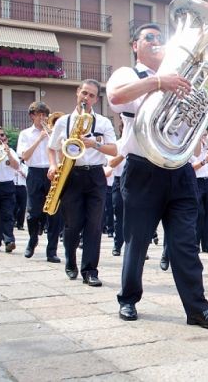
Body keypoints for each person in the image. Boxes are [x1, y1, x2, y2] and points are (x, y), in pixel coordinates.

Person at [107, 23, 208, 327]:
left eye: (160, 38)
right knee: (137, 241)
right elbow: (117, 97)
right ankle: (128, 299)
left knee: (186, 243)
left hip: (179, 170)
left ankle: (197, 309)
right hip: (142, 169)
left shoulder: (182, 80)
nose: (157, 43)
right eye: (149, 38)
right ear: (135, 45)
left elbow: (188, 123)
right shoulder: (128, 73)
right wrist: (159, 82)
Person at [48, 79, 117, 286]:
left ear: (96, 99)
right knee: (72, 224)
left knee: (94, 225)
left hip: (95, 175)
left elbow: (114, 150)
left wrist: (94, 143)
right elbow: (52, 148)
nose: (86, 98)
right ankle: (71, 261)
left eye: (91, 95)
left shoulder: (103, 122)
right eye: (84, 93)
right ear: (78, 93)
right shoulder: (64, 121)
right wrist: (52, 166)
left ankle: (90, 270)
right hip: (71, 173)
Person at [17, 104, 63, 263]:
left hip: (53, 172)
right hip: (34, 173)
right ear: (32, 116)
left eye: (45, 115)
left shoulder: (55, 132)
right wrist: (40, 138)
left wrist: (53, 137)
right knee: (33, 213)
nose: (42, 118)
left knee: (54, 213)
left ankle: (52, 251)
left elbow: (62, 152)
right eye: (39, 115)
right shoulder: (25, 134)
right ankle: (32, 239)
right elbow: (24, 156)